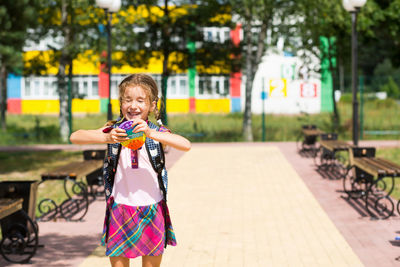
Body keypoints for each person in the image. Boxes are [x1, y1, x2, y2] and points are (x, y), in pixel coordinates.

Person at [70, 73, 191, 267]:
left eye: (140, 100)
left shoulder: (156, 132)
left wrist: (151, 133)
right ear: (121, 103)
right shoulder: (114, 130)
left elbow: (185, 145)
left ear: (152, 106)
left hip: (152, 207)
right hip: (120, 207)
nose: (133, 105)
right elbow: (75, 137)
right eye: (128, 100)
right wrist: (107, 138)